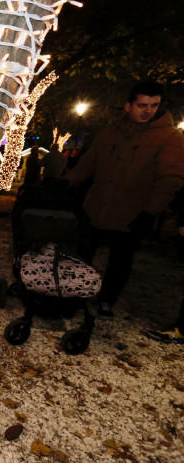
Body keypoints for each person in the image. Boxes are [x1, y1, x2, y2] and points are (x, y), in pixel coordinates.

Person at [62, 81, 184, 316]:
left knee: (120, 261)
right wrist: (66, 181)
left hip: (133, 214)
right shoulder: (109, 134)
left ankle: (107, 299)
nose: (148, 110)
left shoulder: (170, 138)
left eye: (153, 105)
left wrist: (150, 212)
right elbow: (88, 164)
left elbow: (171, 179)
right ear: (129, 106)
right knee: (82, 252)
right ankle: (74, 294)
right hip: (96, 208)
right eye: (142, 105)